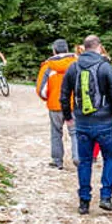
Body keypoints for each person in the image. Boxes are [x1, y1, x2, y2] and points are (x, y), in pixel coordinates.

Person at [60, 35, 112, 215]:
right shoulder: (105, 68)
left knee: (85, 162)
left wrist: (68, 117)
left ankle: (84, 201)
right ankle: (105, 196)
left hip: (82, 123)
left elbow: (64, 96)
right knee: (110, 158)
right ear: (99, 47)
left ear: (83, 48)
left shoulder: (73, 68)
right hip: (105, 123)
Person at [36, 39, 78, 170]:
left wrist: (48, 98)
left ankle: (57, 161)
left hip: (55, 105)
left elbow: (41, 90)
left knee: (56, 132)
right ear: (66, 49)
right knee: (75, 132)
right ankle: (78, 158)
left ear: (54, 50)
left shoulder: (48, 66)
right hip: (73, 105)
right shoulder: (77, 63)